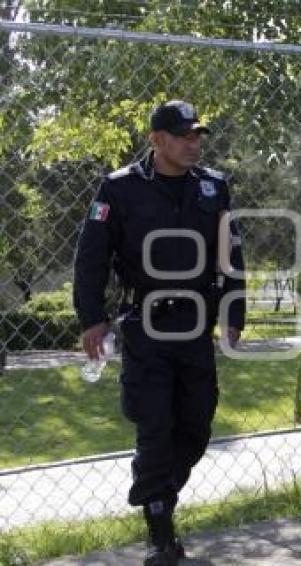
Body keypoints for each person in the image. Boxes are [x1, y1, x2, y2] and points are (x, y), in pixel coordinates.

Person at [73, 100, 246, 564]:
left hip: (196, 325)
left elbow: (231, 257)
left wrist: (234, 312)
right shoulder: (119, 189)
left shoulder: (214, 188)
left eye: (196, 136)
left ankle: (157, 494)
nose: (193, 144)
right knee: (155, 426)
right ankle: (159, 528)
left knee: (196, 425)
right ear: (156, 140)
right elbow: (91, 257)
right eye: (183, 136)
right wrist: (92, 317)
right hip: (145, 325)